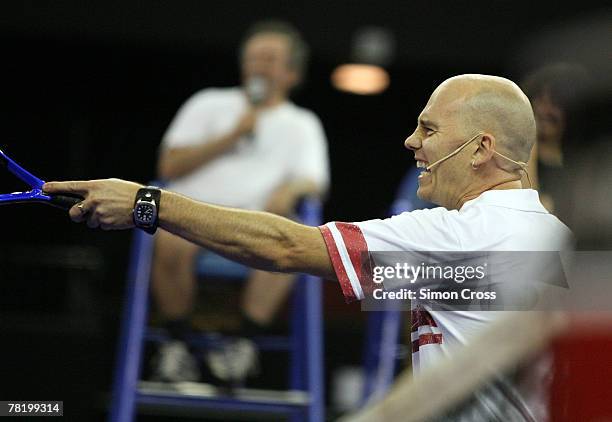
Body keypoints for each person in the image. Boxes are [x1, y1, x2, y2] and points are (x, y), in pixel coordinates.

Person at [45, 74, 572, 420]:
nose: (412, 141)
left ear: (481, 148)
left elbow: (284, 248)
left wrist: (146, 203)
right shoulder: (557, 245)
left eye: (428, 128)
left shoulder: (457, 239)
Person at [150, 20, 330, 383]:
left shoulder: (302, 124)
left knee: (294, 236)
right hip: (190, 213)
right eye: (253, 58)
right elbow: (168, 165)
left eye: (270, 58)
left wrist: (292, 190)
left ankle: (243, 344)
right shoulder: (207, 102)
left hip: (253, 221)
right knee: (166, 231)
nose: (259, 66)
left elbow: (315, 181)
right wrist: (231, 136)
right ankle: (176, 346)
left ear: (292, 73)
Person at [520, 62, 590, 223]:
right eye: (539, 99)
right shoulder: (513, 160)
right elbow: (526, 213)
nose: (543, 110)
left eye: (554, 102)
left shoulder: (584, 164)